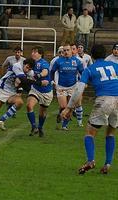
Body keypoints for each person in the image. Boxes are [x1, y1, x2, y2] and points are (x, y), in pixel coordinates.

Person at [61, 44, 118, 174]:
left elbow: (78, 90)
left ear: (91, 56)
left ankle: (90, 161)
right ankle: (108, 164)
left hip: (104, 100)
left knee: (89, 133)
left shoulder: (90, 69)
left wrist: (69, 108)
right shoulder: (116, 66)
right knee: (110, 133)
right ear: (105, 54)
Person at [0, 58, 36, 140]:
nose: (27, 70)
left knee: (20, 102)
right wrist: (32, 82)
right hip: (3, 89)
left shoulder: (30, 72)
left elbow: (27, 86)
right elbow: (23, 80)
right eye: (27, 67)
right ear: (24, 64)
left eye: (30, 69)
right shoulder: (17, 66)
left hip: (12, 92)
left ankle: (1, 121)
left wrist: (26, 83)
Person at [51, 44, 84, 130]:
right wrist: (52, 81)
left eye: (67, 50)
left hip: (73, 87)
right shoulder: (58, 61)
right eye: (64, 50)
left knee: (70, 107)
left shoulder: (77, 61)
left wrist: (83, 82)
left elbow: (82, 73)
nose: (66, 52)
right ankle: (62, 118)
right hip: (61, 87)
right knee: (63, 106)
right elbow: (52, 71)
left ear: (71, 51)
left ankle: (64, 125)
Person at [26, 46, 53, 137]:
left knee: (43, 112)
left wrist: (39, 75)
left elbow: (45, 71)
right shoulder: (30, 63)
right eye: (32, 51)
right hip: (35, 89)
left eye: (35, 52)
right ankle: (34, 127)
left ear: (40, 54)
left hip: (47, 92)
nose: (33, 53)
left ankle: (40, 127)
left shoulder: (43, 63)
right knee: (29, 106)